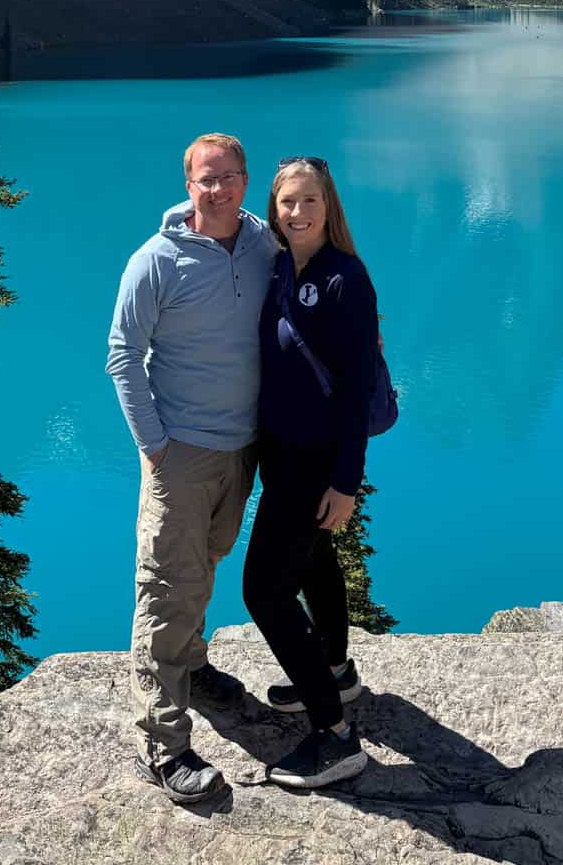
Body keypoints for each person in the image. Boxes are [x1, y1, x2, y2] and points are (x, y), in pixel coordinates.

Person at [106, 132, 279, 805]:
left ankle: (193, 667)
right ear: (189, 186)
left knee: (203, 565)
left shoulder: (264, 246)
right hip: (181, 452)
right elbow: (123, 354)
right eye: (207, 179)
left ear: (244, 179)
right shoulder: (156, 261)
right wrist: (156, 445)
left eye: (230, 176)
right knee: (165, 588)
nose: (219, 188)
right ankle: (163, 743)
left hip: (241, 449)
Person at [243, 155, 381, 790]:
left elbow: (354, 392)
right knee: (314, 560)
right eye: (286, 203)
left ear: (330, 208)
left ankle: (333, 733)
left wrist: (346, 482)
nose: (296, 213)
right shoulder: (277, 266)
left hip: (314, 459)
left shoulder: (344, 280)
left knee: (263, 590)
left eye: (309, 202)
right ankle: (335, 669)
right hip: (279, 450)